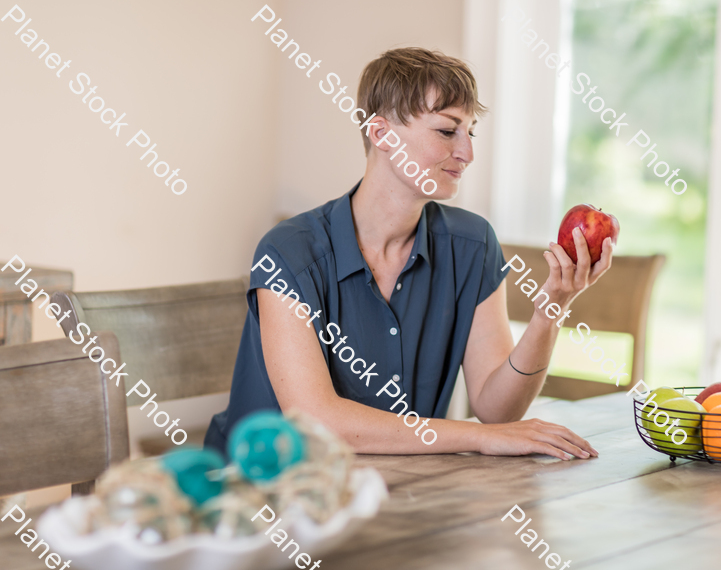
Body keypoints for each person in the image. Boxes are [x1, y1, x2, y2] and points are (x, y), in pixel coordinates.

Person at [205, 47, 613, 460]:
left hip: (396, 485)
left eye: (469, 132)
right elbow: (317, 422)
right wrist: (478, 438)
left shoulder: (472, 245)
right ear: (380, 133)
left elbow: (497, 410)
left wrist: (551, 309)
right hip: (263, 491)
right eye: (446, 131)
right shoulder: (288, 251)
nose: (467, 153)